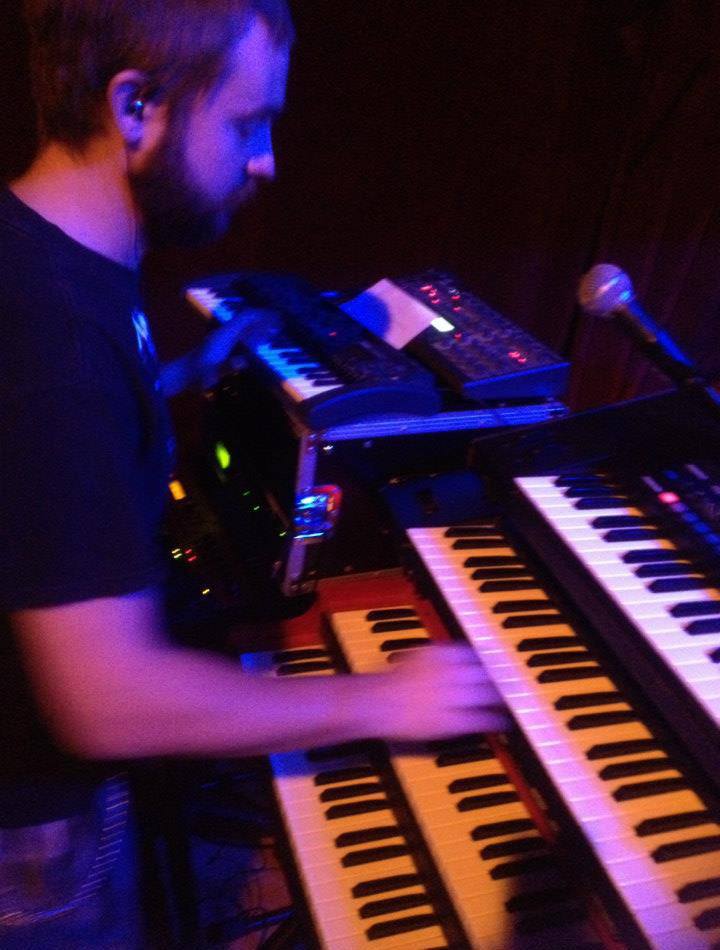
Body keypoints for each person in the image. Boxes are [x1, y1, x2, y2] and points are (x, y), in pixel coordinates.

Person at [0, 0, 509, 945]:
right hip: (35, 849)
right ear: (136, 106)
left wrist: (176, 378)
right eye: (248, 124)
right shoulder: (56, 350)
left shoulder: (43, 255)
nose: (267, 160)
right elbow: (106, 703)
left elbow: (49, 451)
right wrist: (379, 697)